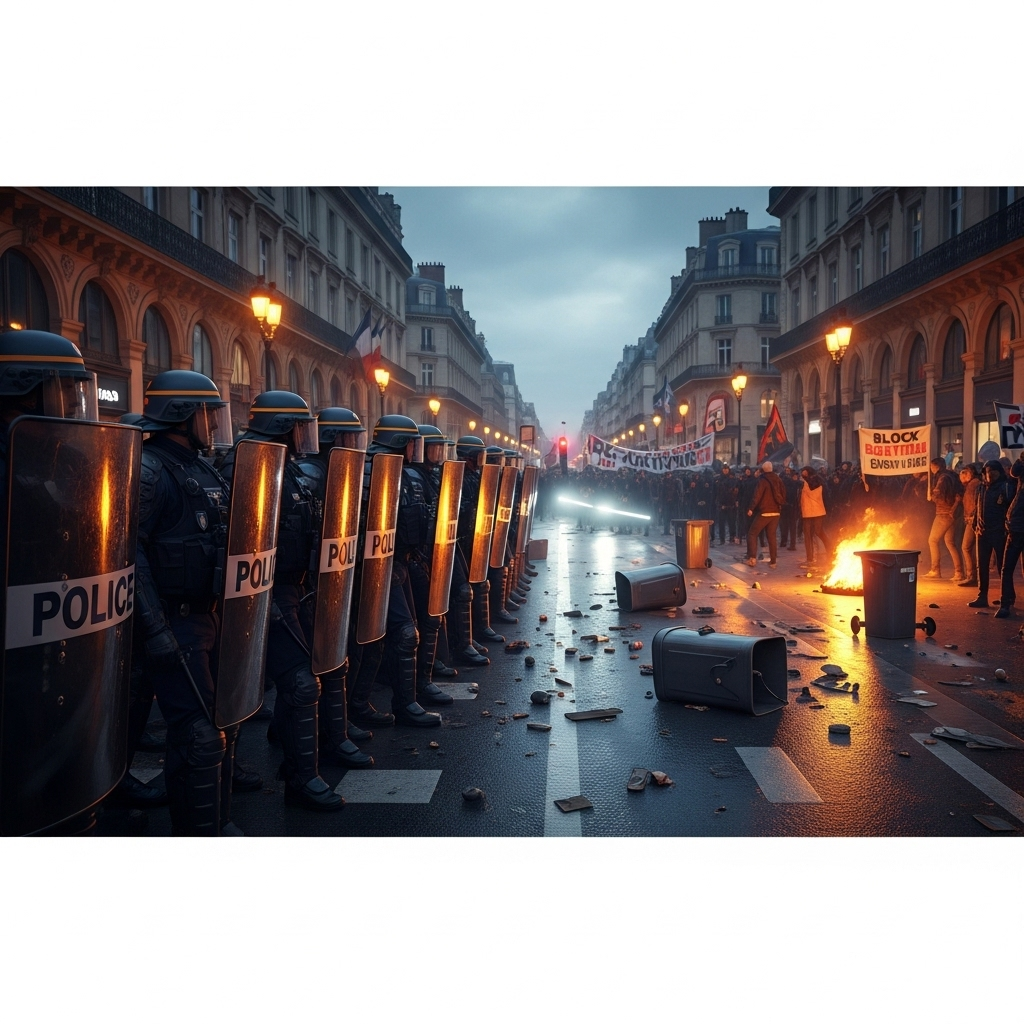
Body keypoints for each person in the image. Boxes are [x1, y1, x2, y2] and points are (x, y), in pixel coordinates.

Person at [134, 369, 244, 835]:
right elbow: (128, 551)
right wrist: (154, 627)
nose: (214, 423)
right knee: (200, 735)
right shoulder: (149, 470)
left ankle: (216, 824)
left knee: (223, 723)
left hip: (211, 615)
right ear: (182, 415)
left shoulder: (200, 466)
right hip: (176, 622)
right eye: (207, 412)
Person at [291, 408, 376, 768]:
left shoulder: (337, 472)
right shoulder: (310, 476)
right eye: (348, 437)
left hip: (337, 573)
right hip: (305, 584)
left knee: (336, 657)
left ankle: (334, 728)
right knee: (309, 674)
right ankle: (307, 753)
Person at [348, 415, 442, 727]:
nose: (417, 450)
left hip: (398, 562)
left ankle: (363, 704)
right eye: (412, 443)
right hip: (372, 567)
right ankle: (403, 704)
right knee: (400, 634)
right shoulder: (369, 472)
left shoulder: (404, 474)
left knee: (388, 637)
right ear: (399, 443)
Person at [969, 460, 1015, 609]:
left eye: (994, 471)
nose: (991, 474)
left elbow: (1010, 509)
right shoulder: (981, 488)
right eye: (988, 471)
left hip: (1000, 533)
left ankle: (1008, 597)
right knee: (981, 565)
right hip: (982, 533)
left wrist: (1007, 528)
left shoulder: (1006, 487)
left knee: (1003, 567)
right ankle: (982, 597)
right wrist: (975, 523)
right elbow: (978, 507)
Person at [925, 456, 965, 580]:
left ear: (935, 466)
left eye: (931, 466)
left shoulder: (942, 478)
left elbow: (939, 494)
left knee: (932, 540)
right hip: (953, 512)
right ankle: (959, 572)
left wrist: (932, 496)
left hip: (944, 512)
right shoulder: (952, 475)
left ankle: (935, 570)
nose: (930, 469)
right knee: (950, 542)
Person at [995, 451, 1024, 618]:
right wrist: (1021, 458)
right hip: (1015, 527)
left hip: (1017, 525)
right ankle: (1006, 603)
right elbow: (1015, 472)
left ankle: (1006, 603)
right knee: (1006, 568)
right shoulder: (1017, 477)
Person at [745, 461, 785, 568]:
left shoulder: (762, 481)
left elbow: (757, 495)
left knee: (752, 533)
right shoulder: (778, 479)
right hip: (776, 512)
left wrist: (751, 508)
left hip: (764, 512)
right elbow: (783, 494)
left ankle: (752, 558)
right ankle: (773, 562)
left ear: (763, 470)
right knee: (771, 536)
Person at [799, 465, 831, 567]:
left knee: (811, 534)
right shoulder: (819, 480)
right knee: (816, 532)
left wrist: (804, 484)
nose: (802, 475)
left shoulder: (809, 483)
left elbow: (812, 494)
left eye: (804, 473)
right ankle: (828, 550)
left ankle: (811, 558)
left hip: (811, 511)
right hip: (815, 511)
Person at [958, 464, 982, 588]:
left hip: (973, 520)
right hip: (972, 520)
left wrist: (972, 518)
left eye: (963, 473)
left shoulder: (974, 485)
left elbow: (976, 503)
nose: (961, 476)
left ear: (970, 473)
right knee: (971, 548)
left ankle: (971, 576)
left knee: (966, 547)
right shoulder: (973, 484)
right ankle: (974, 576)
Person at [713, 465, 738, 546]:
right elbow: (716, 492)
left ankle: (732, 537)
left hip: (730, 504)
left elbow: (736, 490)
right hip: (721, 504)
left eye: (727, 469)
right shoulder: (718, 479)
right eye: (724, 469)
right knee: (721, 523)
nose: (725, 470)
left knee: (731, 522)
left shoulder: (733, 479)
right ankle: (722, 539)